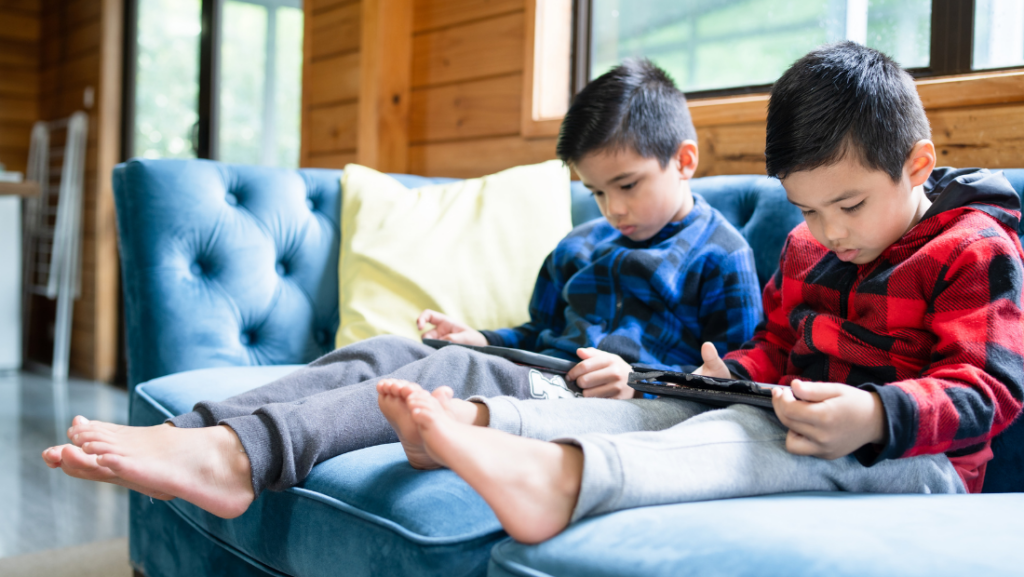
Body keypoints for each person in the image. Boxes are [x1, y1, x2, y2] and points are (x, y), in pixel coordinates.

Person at [41, 59, 763, 519]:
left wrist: (638, 380)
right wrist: (483, 336)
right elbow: (536, 336)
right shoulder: (580, 245)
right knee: (392, 345)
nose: (613, 209)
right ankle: (191, 431)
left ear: (685, 159)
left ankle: (240, 459)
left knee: (450, 375)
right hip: (545, 374)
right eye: (597, 191)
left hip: (607, 405)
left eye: (628, 186)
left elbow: (736, 380)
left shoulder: (720, 255)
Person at [375, 41, 1024, 545]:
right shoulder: (810, 245)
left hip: (921, 464)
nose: (828, 232)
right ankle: (480, 422)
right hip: (798, 420)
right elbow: (773, 344)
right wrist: (727, 374)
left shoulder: (973, 246)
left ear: (915, 165)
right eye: (806, 210)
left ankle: (560, 480)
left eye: (848, 204)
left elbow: (990, 389)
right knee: (669, 401)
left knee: (745, 440)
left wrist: (877, 415)